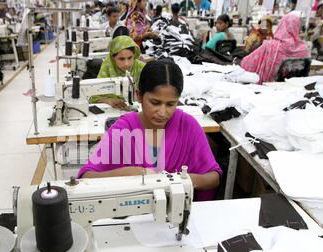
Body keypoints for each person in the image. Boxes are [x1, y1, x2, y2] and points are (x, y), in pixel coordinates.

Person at [79, 59, 222, 201]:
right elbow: (87, 177)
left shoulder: (187, 126)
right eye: (155, 103)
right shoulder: (124, 129)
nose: (162, 112)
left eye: (171, 104)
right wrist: (130, 174)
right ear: (139, 95)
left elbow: (213, 177)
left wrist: (178, 180)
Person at [240, 13, 310, 83]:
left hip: (270, 88)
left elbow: (246, 63)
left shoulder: (270, 46)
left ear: (281, 26)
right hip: (294, 88)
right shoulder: (304, 49)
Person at [89, 35, 146, 109]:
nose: (126, 63)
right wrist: (108, 100)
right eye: (121, 59)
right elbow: (93, 97)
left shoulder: (142, 68)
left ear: (134, 55)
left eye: (130, 58)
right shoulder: (107, 68)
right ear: (113, 58)